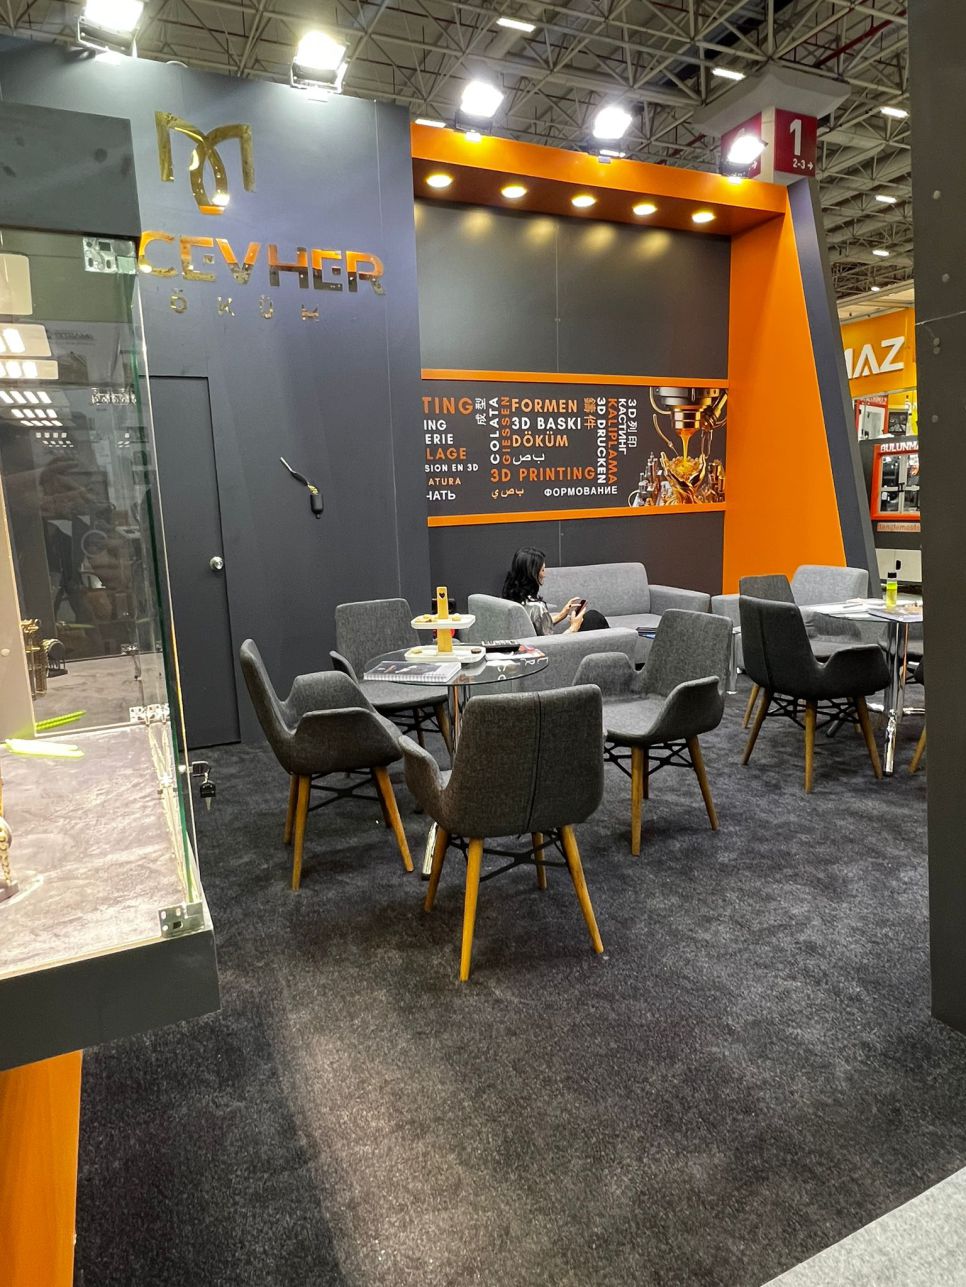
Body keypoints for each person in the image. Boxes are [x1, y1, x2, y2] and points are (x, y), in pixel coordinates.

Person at [501, 547, 609, 634]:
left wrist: (562, 614)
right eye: (542, 570)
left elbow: (536, 627)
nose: (544, 574)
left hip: (524, 647)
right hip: (547, 651)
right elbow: (551, 645)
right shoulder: (537, 607)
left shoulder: (509, 601)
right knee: (594, 617)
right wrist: (574, 627)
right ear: (533, 574)